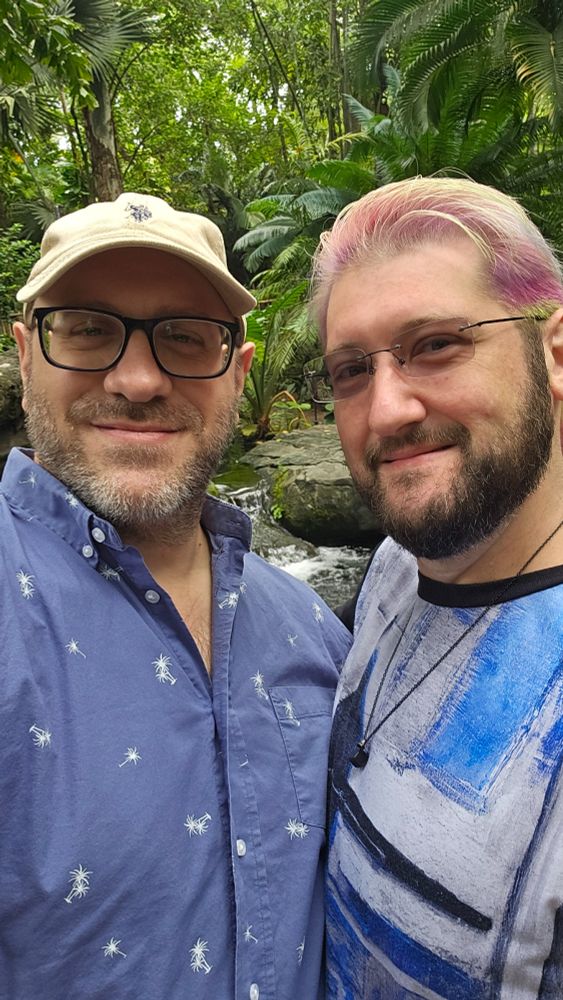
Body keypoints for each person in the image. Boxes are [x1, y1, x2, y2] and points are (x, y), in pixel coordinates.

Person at [0, 192, 351, 999]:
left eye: (186, 337)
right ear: (25, 355)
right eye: (88, 330)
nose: (137, 380)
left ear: (239, 371)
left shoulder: (309, 626)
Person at [306, 177, 563, 998]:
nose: (386, 410)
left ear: (554, 354)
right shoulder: (394, 563)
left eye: (436, 344)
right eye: (351, 369)